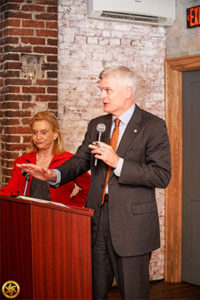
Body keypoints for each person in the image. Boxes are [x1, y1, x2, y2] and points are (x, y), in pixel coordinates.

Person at [17, 66, 171, 300]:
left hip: (132, 227)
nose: (102, 96)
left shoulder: (153, 125)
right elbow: (80, 161)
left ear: (128, 91)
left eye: (108, 90)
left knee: (133, 294)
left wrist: (118, 162)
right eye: (101, 90)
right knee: (91, 292)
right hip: (96, 221)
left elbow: (161, 175)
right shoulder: (97, 124)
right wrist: (52, 175)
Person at [0, 111, 90, 207]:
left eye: (44, 133)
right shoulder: (23, 161)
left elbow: (90, 188)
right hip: (27, 216)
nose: (38, 137)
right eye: (35, 133)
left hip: (58, 218)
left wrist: (71, 206)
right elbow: (10, 190)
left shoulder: (70, 161)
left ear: (55, 135)